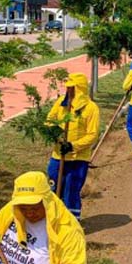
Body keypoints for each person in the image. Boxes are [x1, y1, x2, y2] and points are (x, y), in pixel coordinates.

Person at [46, 72, 100, 221]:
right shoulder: (60, 104)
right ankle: (53, 220)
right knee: (53, 189)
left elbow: (92, 134)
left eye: (72, 88)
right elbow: (50, 119)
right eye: (67, 88)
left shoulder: (91, 108)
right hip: (58, 157)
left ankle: (73, 223)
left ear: (80, 89)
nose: (68, 91)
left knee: (72, 191)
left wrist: (72, 146)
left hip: (78, 160)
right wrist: (56, 135)